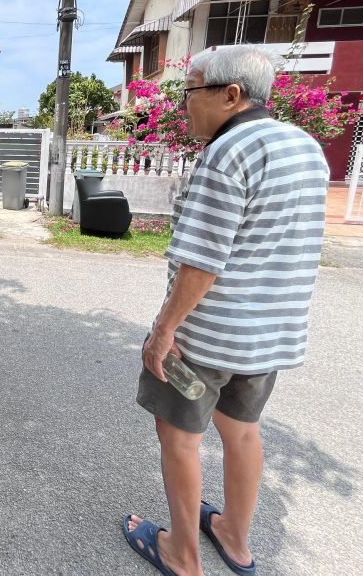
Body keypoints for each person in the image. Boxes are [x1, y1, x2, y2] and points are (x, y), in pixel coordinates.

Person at [122, 46, 329, 576]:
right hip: (271, 334)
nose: (183, 104)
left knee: (179, 437)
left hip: (208, 336)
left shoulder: (227, 153)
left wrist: (163, 331)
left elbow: (201, 262)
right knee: (242, 431)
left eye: (190, 91)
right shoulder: (306, 146)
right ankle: (235, 539)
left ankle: (182, 554)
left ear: (230, 95)